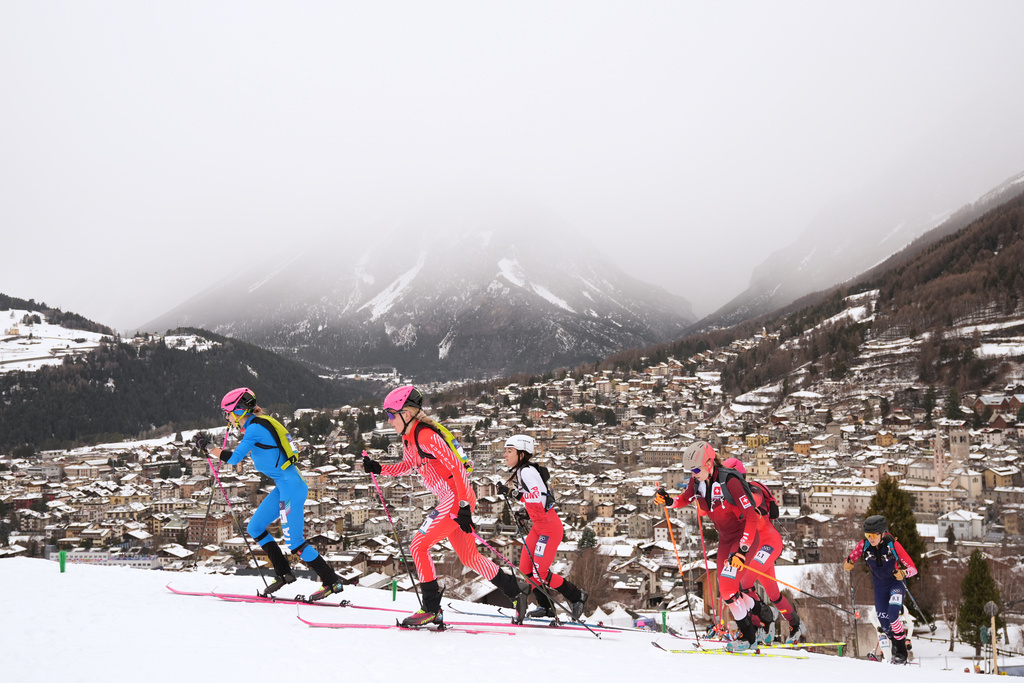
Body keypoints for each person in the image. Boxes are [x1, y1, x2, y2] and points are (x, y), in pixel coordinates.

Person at [362, 385, 526, 628]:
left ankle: (430, 609)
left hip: (455, 498)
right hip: (452, 499)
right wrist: (379, 468)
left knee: (418, 545)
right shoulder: (410, 439)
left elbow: (457, 468)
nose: (388, 421)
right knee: (470, 557)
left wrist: (462, 507)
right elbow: (406, 466)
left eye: (390, 414)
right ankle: (516, 593)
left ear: (406, 414)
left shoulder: (426, 436)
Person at [194, 388, 344, 601]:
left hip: (291, 487)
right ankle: (283, 573)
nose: (226, 418)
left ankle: (331, 581)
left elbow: (235, 458)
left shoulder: (255, 428)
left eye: (227, 413)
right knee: (254, 527)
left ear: (238, 411)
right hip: (285, 485)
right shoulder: (258, 424)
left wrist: (208, 447)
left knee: (295, 542)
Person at [655, 441, 776, 652]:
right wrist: (669, 501)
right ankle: (763, 613)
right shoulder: (698, 481)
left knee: (729, 587)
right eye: (690, 471)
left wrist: (743, 549)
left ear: (710, 463)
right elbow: (686, 498)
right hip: (726, 538)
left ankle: (748, 637)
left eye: (696, 469)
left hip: (743, 537)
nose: (693, 474)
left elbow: (749, 515)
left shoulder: (730, 481)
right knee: (727, 592)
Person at [497, 434, 588, 621]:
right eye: (505, 451)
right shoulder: (522, 471)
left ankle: (577, 596)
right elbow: (535, 498)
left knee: (541, 573)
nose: (505, 455)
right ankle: (546, 607)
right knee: (526, 568)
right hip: (539, 527)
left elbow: (538, 497)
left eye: (509, 451)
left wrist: (512, 493)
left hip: (549, 528)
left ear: (521, 454)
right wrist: (525, 512)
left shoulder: (527, 471)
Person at [722, 456, 807, 644]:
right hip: (756, 545)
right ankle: (794, 623)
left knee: (744, 583)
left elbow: (754, 499)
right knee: (773, 593)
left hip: (769, 542)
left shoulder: (752, 490)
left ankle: (762, 623)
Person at [843, 515, 918, 665]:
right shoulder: (864, 545)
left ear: (882, 533)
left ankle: (902, 652)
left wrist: (904, 573)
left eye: (873, 535)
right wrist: (848, 563)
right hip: (880, 587)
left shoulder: (893, 545)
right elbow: (852, 557)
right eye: (867, 535)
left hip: (895, 584)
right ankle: (896, 647)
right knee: (884, 624)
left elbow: (913, 569)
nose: (870, 539)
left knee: (893, 615)